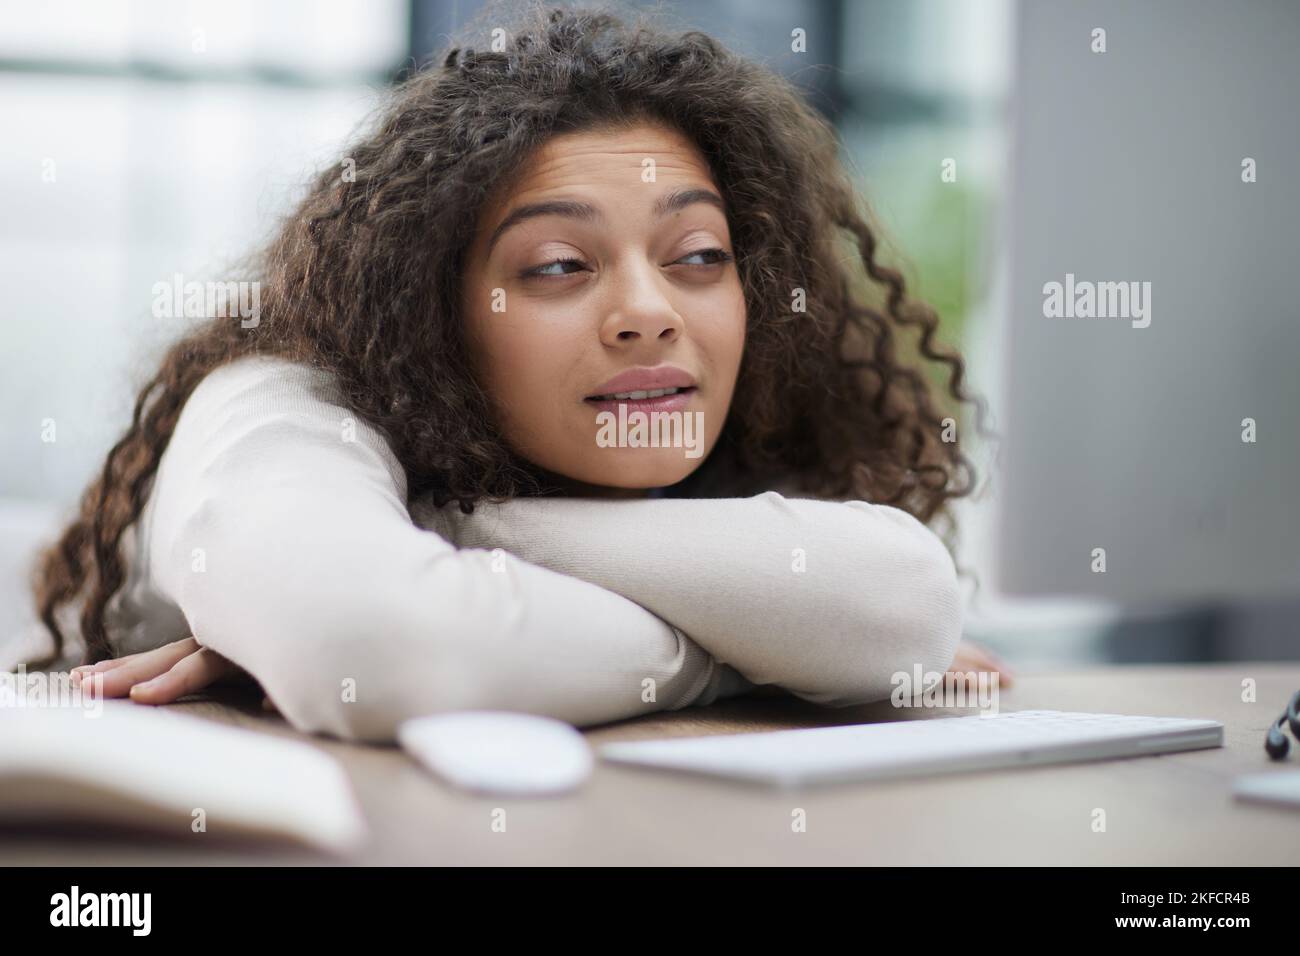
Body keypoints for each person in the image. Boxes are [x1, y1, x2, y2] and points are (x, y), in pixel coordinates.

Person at [29, 2, 1009, 743]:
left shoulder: (687, 437)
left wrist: (450, 534)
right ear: (431, 313)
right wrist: (755, 647)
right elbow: (377, 646)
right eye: (555, 268)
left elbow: (900, 599)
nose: (648, 312)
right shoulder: (276, 401)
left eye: (699, 257)